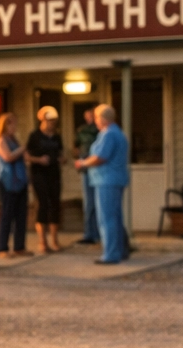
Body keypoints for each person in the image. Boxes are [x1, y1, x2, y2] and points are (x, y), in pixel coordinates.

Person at [73, 104, 130, 264]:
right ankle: (120, 250)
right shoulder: (117, 133)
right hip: (114, 179)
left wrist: (83, 163)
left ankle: (111, 253)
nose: (95, 121)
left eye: (97, 117)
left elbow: (100, 157)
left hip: (107, 180)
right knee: (116, 217)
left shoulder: (109, 134)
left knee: (107, 218)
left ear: (103, 119)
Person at [0, 111, 30, 257]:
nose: (15, 127)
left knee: (21, 215)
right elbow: (7, 157)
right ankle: (2, 248)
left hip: (20, 181)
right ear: (5, 125)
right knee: (7, 214)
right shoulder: (0, 140)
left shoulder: (14, 140)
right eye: (13, 124)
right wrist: (21, 150)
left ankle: (19, 246)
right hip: (6, 181)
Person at [26, 106, 65, 253]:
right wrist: (38, 160)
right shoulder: (34, 136)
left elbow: (60, 152)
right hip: (39, 174)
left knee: (55, 204)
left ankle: (54, 240)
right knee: (42, 205)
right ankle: (42, 242)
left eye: (54, 121)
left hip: (54, 174)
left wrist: (61, 159)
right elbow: (27, 156)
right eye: (50, 121)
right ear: (43, 120)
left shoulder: (57, 136)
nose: (52, 124)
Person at [73, 108, 100, 245]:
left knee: (100, 203)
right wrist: (80, 159)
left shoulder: (101, 131)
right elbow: (75, 146)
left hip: (99, 168)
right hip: (86, 168)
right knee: (89, 202)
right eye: (87, 116)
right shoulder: (82, 130)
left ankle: (100, 233)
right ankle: (90, 233)